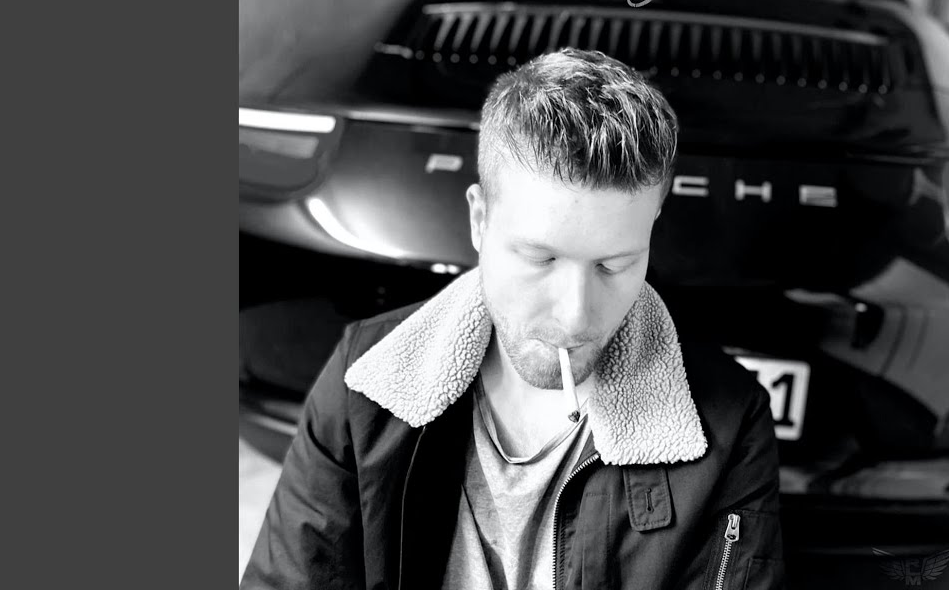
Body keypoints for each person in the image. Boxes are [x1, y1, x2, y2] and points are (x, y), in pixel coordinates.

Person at [241, 48, 786, 590]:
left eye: (614, 265)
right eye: (540, 259)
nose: (575, 316)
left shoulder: (730, 423)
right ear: (479, 219)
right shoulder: (363, 382)